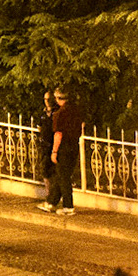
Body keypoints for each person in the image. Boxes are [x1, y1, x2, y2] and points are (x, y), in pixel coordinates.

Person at [37, 87, 81, 216]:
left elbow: (58, 134)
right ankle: (51, 203)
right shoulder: (76, 111)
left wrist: (54, 151)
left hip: (63, 148)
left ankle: (68, 206)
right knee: (59, 175)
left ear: (58, 98)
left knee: (63, 178)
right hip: (74, 146)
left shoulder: (60, 113)